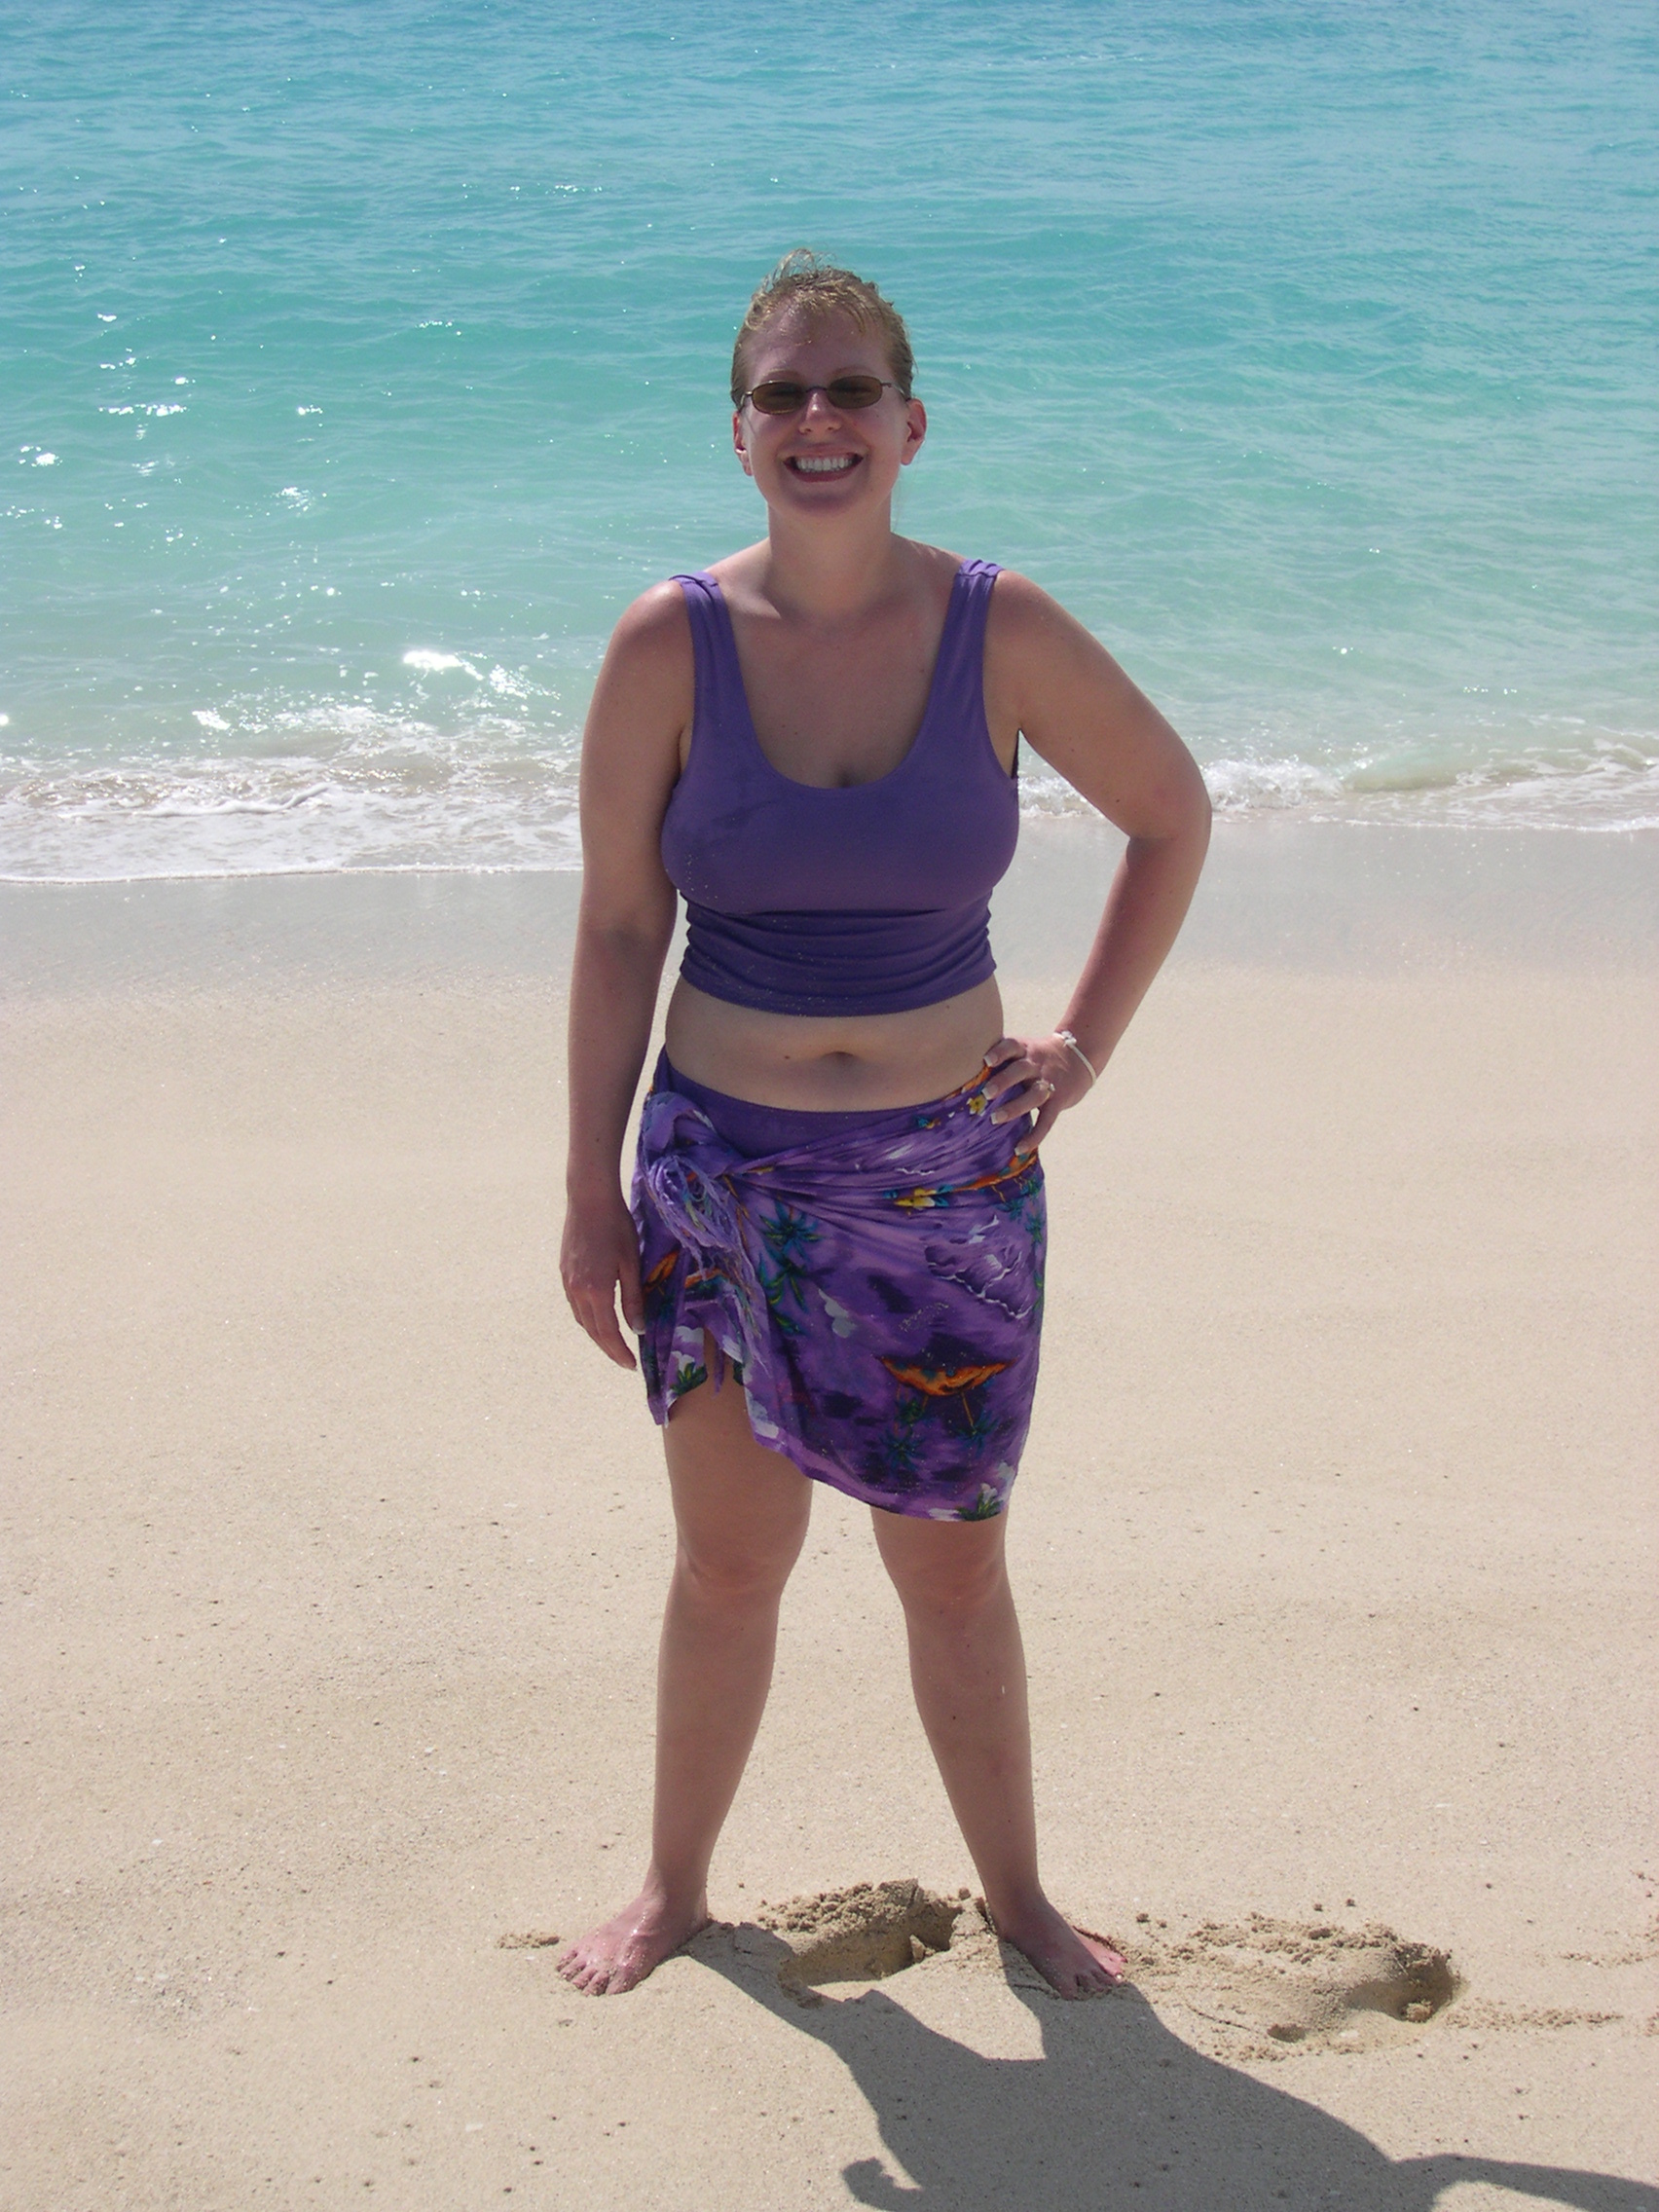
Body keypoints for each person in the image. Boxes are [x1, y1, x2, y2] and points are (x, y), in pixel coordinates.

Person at [557, 251, 1210, 1999]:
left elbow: (1170, 814)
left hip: (948, 1187)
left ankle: (1020, 1900)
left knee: (950, 1573)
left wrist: (1080, 1046)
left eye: (851, 392)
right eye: (785, 393)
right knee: (726, 1561)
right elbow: (621, 925)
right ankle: (676, 1885)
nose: (820, 421)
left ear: (912, 425)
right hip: (716, 1174)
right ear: (743, 434)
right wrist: (583, 1187)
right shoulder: (667, 641)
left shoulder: (1005, 629)